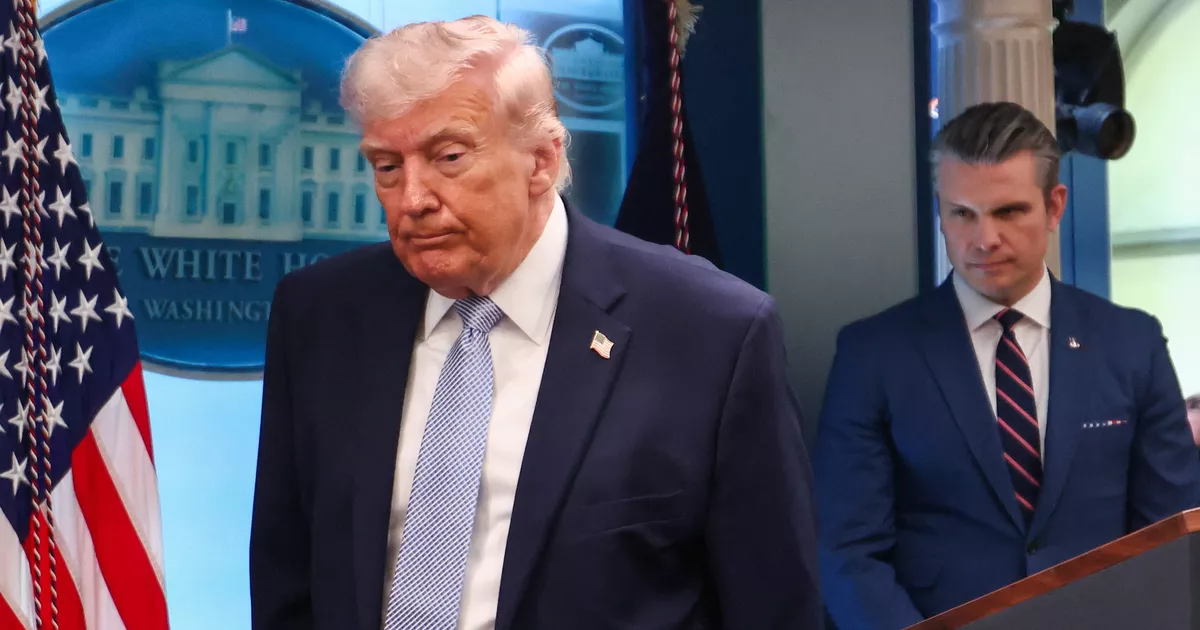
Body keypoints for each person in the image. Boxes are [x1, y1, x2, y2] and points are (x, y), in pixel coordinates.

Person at [248, 15, 822, 630]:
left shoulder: (709, 332)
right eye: (387, 166)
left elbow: (774, 608)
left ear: (542, 161)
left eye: (448, 157)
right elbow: (287, 584)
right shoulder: (321, 317)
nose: (413, 198)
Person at [814, 101, 1200, 629]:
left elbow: (1172, 535)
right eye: (962, 213)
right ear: (940, 211)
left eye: (1008, 212)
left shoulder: (1132, 343)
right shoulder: (875, 354)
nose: (984, 239)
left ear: (1054, 207)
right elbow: (848, 552)